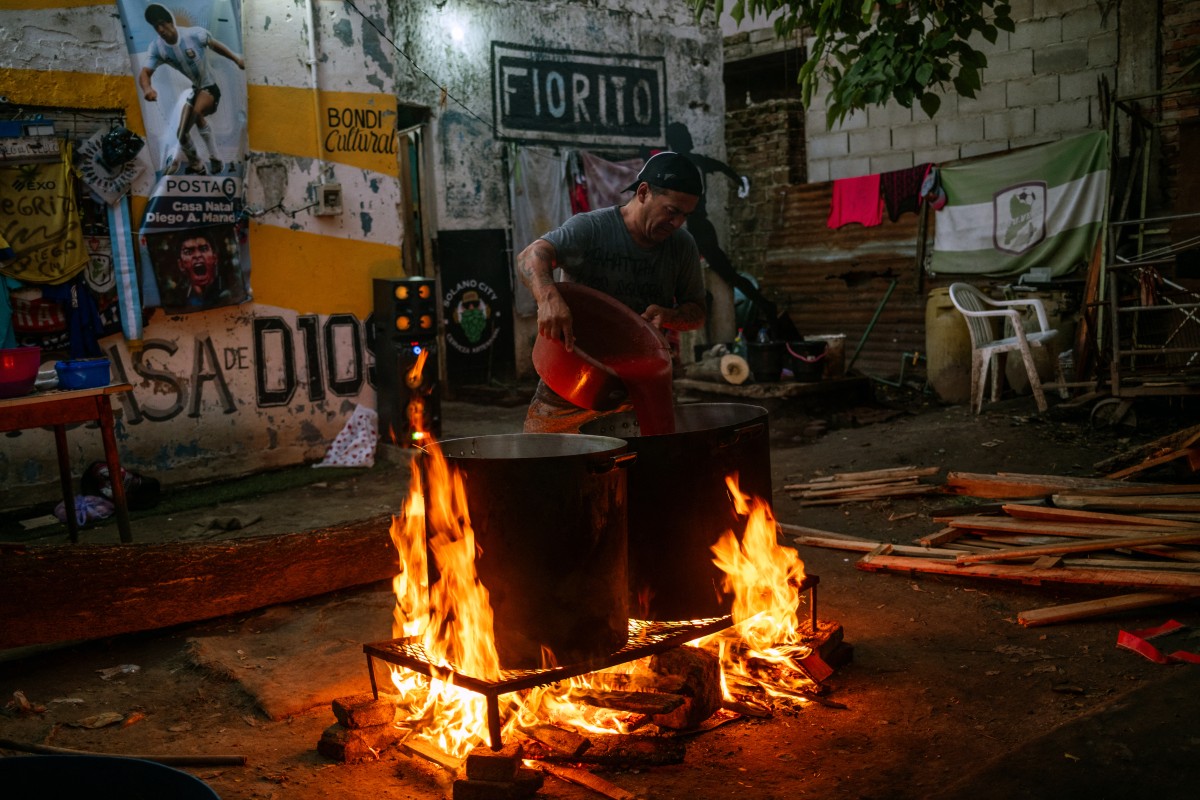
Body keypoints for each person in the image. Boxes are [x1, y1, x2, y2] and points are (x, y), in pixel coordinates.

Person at [517, 151, 707, 433]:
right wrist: (548, 298)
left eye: (685, 215)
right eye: (671, 211)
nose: (677, 222)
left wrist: (669, 316)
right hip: (571, 384)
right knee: (547, 471)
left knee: (649, 471)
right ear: (643, 192)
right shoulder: (592, 229)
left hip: (639, 393)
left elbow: (697, 314)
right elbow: (530, 256)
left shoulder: (682, 246)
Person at [138, 3, 244, 176]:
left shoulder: (194, 34)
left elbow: (215, 45)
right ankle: (197, 164)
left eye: (162, 24)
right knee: (181, 134)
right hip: (196, 90)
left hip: (210, 88)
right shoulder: (158, 47)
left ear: (170, 22)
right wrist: (147, 88)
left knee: (196, 113)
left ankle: (215, 158)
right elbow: (145, 73)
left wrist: (236, 59)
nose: (160, 30)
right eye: (156, 27)